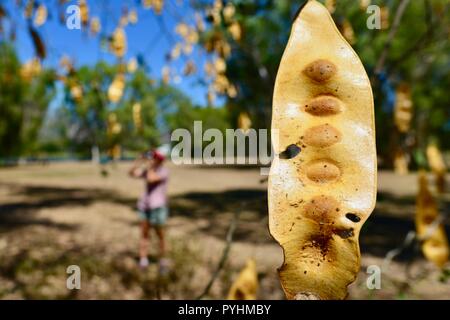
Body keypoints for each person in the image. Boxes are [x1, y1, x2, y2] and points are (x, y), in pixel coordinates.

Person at [129, 150, 170, 270]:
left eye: (154, 158)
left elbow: (151, 179)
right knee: (144, 234)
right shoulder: (148, 170)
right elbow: (131, 173)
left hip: (158, 207)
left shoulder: (164, 171)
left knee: (160, 235)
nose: (151, 160)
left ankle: (162, 259)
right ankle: (143, 260)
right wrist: (138, 161)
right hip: (144, 206)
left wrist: (148, 167)